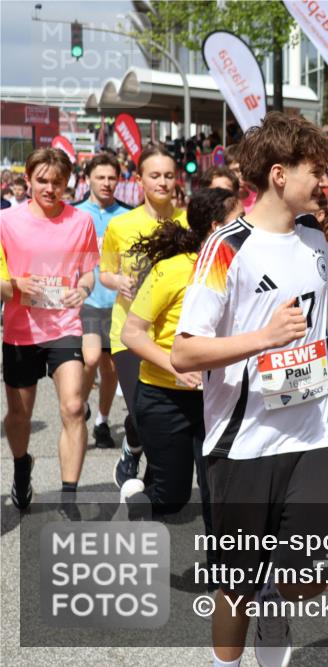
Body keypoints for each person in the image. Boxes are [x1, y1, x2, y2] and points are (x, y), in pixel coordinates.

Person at [170, 111, 328, 667]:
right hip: (243, 444)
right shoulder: (225, 246)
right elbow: (185, 351)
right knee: (236, 585)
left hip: (314, 432)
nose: (327, 181)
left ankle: (278, 595)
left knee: (310, 580)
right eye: (316, 171)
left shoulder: (316, 236)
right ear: (277, 174)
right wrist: (262, 338)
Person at [120, 187, 242, 538]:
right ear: (218, 227)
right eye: (240, 220)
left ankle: (221, 577)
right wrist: (178, 367)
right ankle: (139, 502)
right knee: (171, 497)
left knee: (216, 494)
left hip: (217, 398)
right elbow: (133, 333)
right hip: (163, 398)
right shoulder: (172, 270)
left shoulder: (243, 267)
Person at [1, 148, 99, 512]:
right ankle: (22, 466)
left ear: (68, 183)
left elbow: (90, 271)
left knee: (74, 406)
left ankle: (69, 495)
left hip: (64, 326)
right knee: (19, 416)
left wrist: (84, 289)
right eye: (42, 180)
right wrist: (15, 286)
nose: (50, 188)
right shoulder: (7, 221)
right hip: (20, 330)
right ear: (27, 180)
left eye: (57, 182)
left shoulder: (81, 222)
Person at [100, 146, 187, 489]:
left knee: (161, 414)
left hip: (173, 333)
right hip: (129, 332)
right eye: (154, 175)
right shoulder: (121, 225)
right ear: (139, 180)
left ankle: (151, 484)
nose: (163, 182)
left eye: (168, 175)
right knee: (140, 410)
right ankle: (134, 448)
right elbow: (106, 271)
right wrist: (118, 281)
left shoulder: (187, 221)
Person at [75, 154, 131, 450]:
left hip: (119, 304)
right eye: (100, 177)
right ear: (87, 180)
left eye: (112, 178)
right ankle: (79, 405)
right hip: (88, 301)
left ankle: (101, 421)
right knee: (91, 358)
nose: (107, 183)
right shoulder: (74, 214)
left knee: (111, 370)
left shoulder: (128, 215)